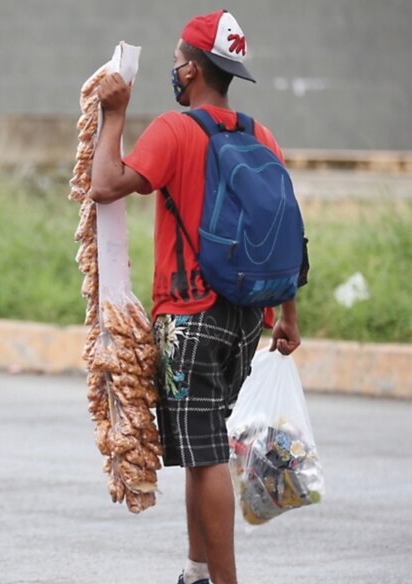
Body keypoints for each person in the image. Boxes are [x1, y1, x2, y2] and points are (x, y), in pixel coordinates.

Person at [88, 10, 307, 584]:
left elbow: (106, 183)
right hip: (245, 320)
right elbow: (287, 232)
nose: (173, 70)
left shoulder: (174, 129)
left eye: (176, 61)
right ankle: (196, 571)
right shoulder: (260, 135)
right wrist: (287, 315)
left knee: (206, 456)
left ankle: (223, 581)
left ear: (189, 69)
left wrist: (114, 114)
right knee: (199, 444)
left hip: (189, 317)